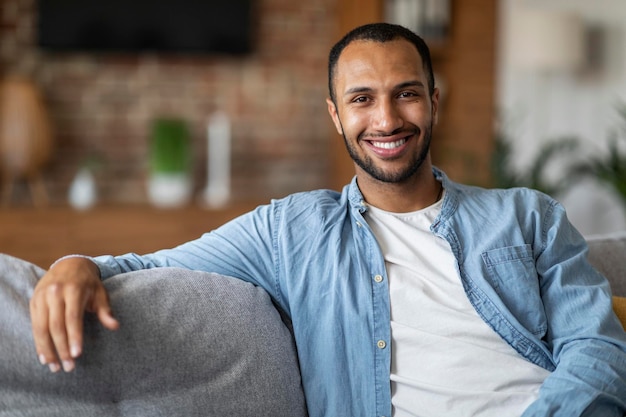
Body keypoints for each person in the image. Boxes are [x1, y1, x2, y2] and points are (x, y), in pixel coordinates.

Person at [30, 23, 626, 417]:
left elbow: (598, 350)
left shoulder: (529, 215)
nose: (387, 119)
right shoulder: (290, 231)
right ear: (336, 117)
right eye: (362, 99)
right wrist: (74, 266)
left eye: (407, 93)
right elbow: (150, 265)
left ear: (435, 102)